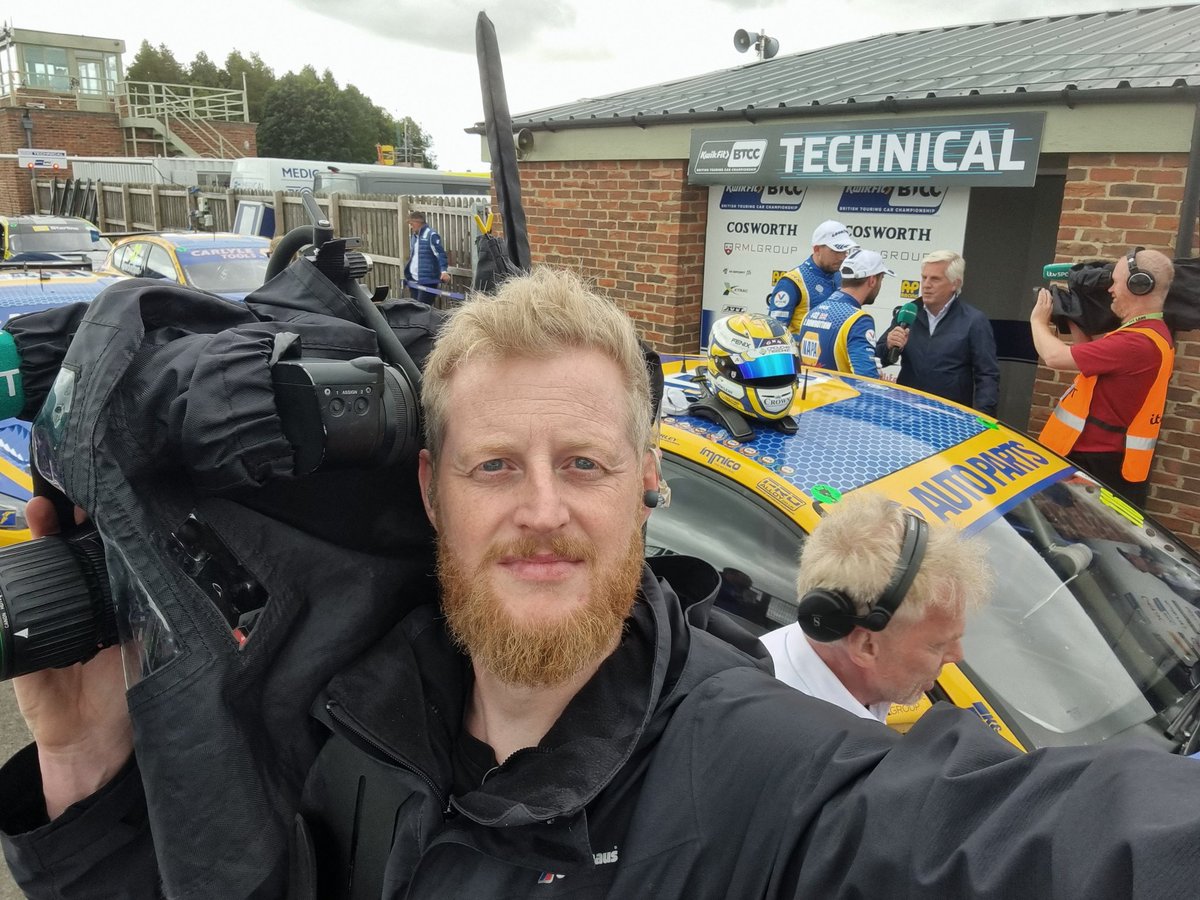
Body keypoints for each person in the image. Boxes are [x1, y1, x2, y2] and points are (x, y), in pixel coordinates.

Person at [11, 268, 1200, 898]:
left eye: (583, 464)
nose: (542, 508)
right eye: (495, 466)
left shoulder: (766, 782)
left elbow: (1053, 847)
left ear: (646, 487)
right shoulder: (353, 728)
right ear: (432, 491)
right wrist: (82, 761)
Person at [760, 492, 987, 723]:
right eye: (937, 645)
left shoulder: (852, 693)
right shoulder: (795, 731)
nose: (957, 655)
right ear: (866, 646)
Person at [1032, 247, 1176, 507]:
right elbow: (1091, 359)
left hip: (1096, 462)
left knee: (1071, 531)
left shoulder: (1136, 343)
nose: (1110, 289)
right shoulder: (1148, 332)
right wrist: (1074, 318)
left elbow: (1054, 357)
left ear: (1138, 286)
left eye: (1116, 282)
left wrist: (1038, 320)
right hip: (1100, 458)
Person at [876, 250, 999, 415]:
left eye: (935, 279)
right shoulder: (908, 312)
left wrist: (983, 417)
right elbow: (878, 359)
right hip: (905, 411)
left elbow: (987, 375)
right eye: (924, 277)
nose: (926, 285)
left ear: (955, 284)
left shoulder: (974, 320)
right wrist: (889, 345)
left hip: (949, 416)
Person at [795, 247, 893, 377]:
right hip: (838, 391)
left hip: (811, 389)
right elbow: (865, 379)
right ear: (872, 280)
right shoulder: (858, 320)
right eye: (881, 279)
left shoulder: (811, 313)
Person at [765, 219, 856, 335]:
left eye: (845, 251)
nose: (842, 257)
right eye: (836, 251)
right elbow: (775, 333)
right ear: (817, 249)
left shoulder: (842, 277)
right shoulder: (792, 282)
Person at [405, 211, 450, 302]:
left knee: (422, 307)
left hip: (428, 281)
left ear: (418, 222)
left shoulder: (431, 235)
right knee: (414, 307)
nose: (411, 227)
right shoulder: (414, 237)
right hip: (414, 280)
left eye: (412, 224)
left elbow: (440, 254)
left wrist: (444, 271)